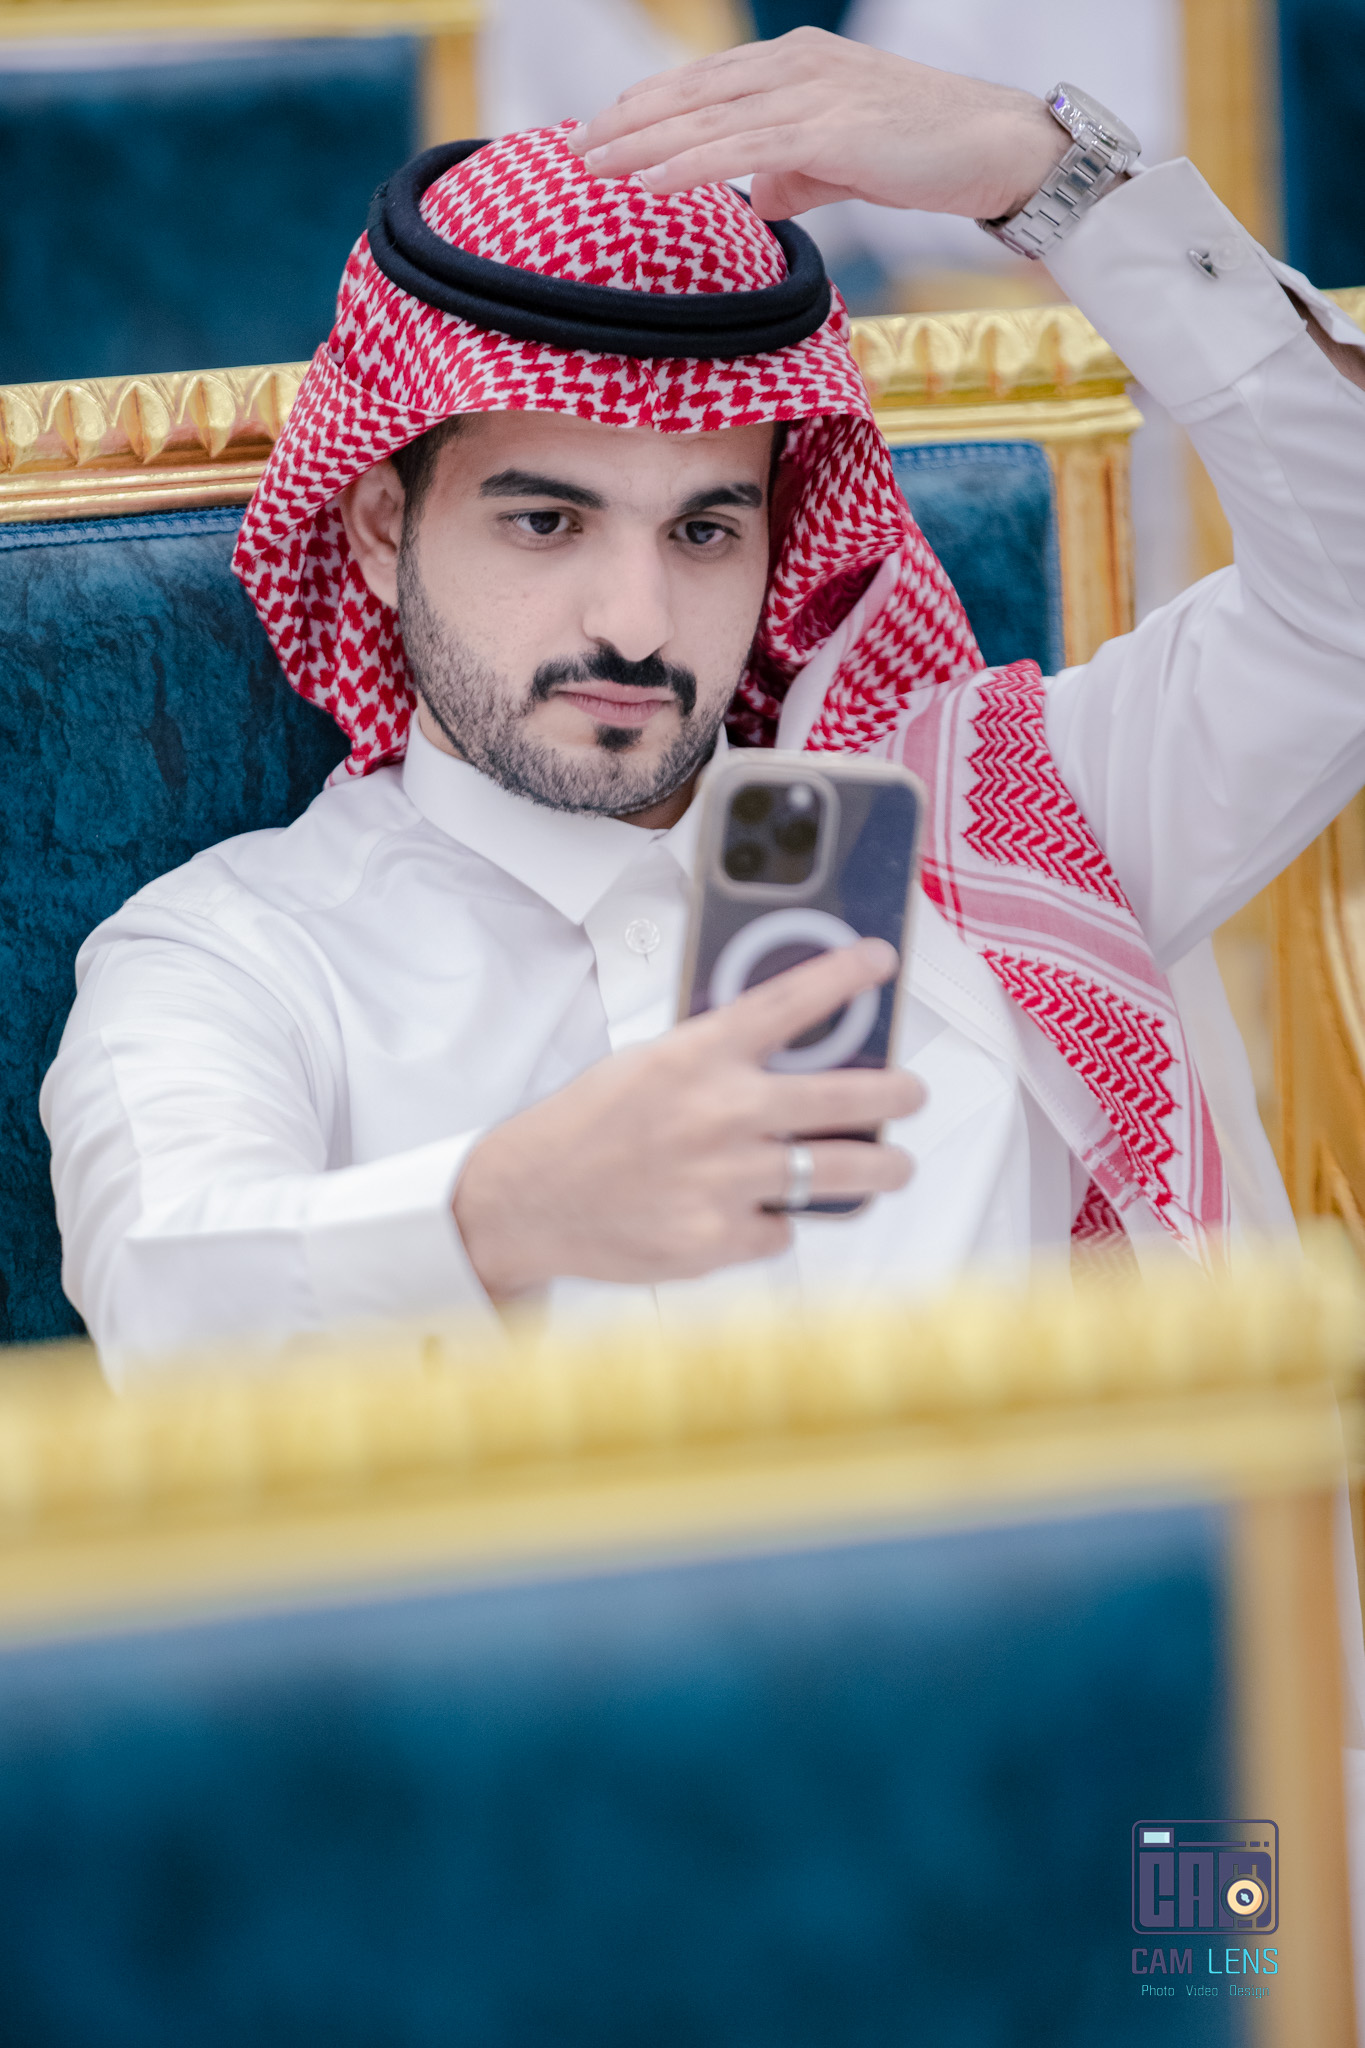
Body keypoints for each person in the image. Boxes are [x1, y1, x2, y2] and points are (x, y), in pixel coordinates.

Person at [40, 29, 1365, 1375]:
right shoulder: (238, 955)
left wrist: (1050, 176)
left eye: (703, 532)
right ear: (383, 527)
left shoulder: (992, 839)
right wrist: (501, 1214)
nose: (635, 622)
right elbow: (167, 1291)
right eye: (546, 522)